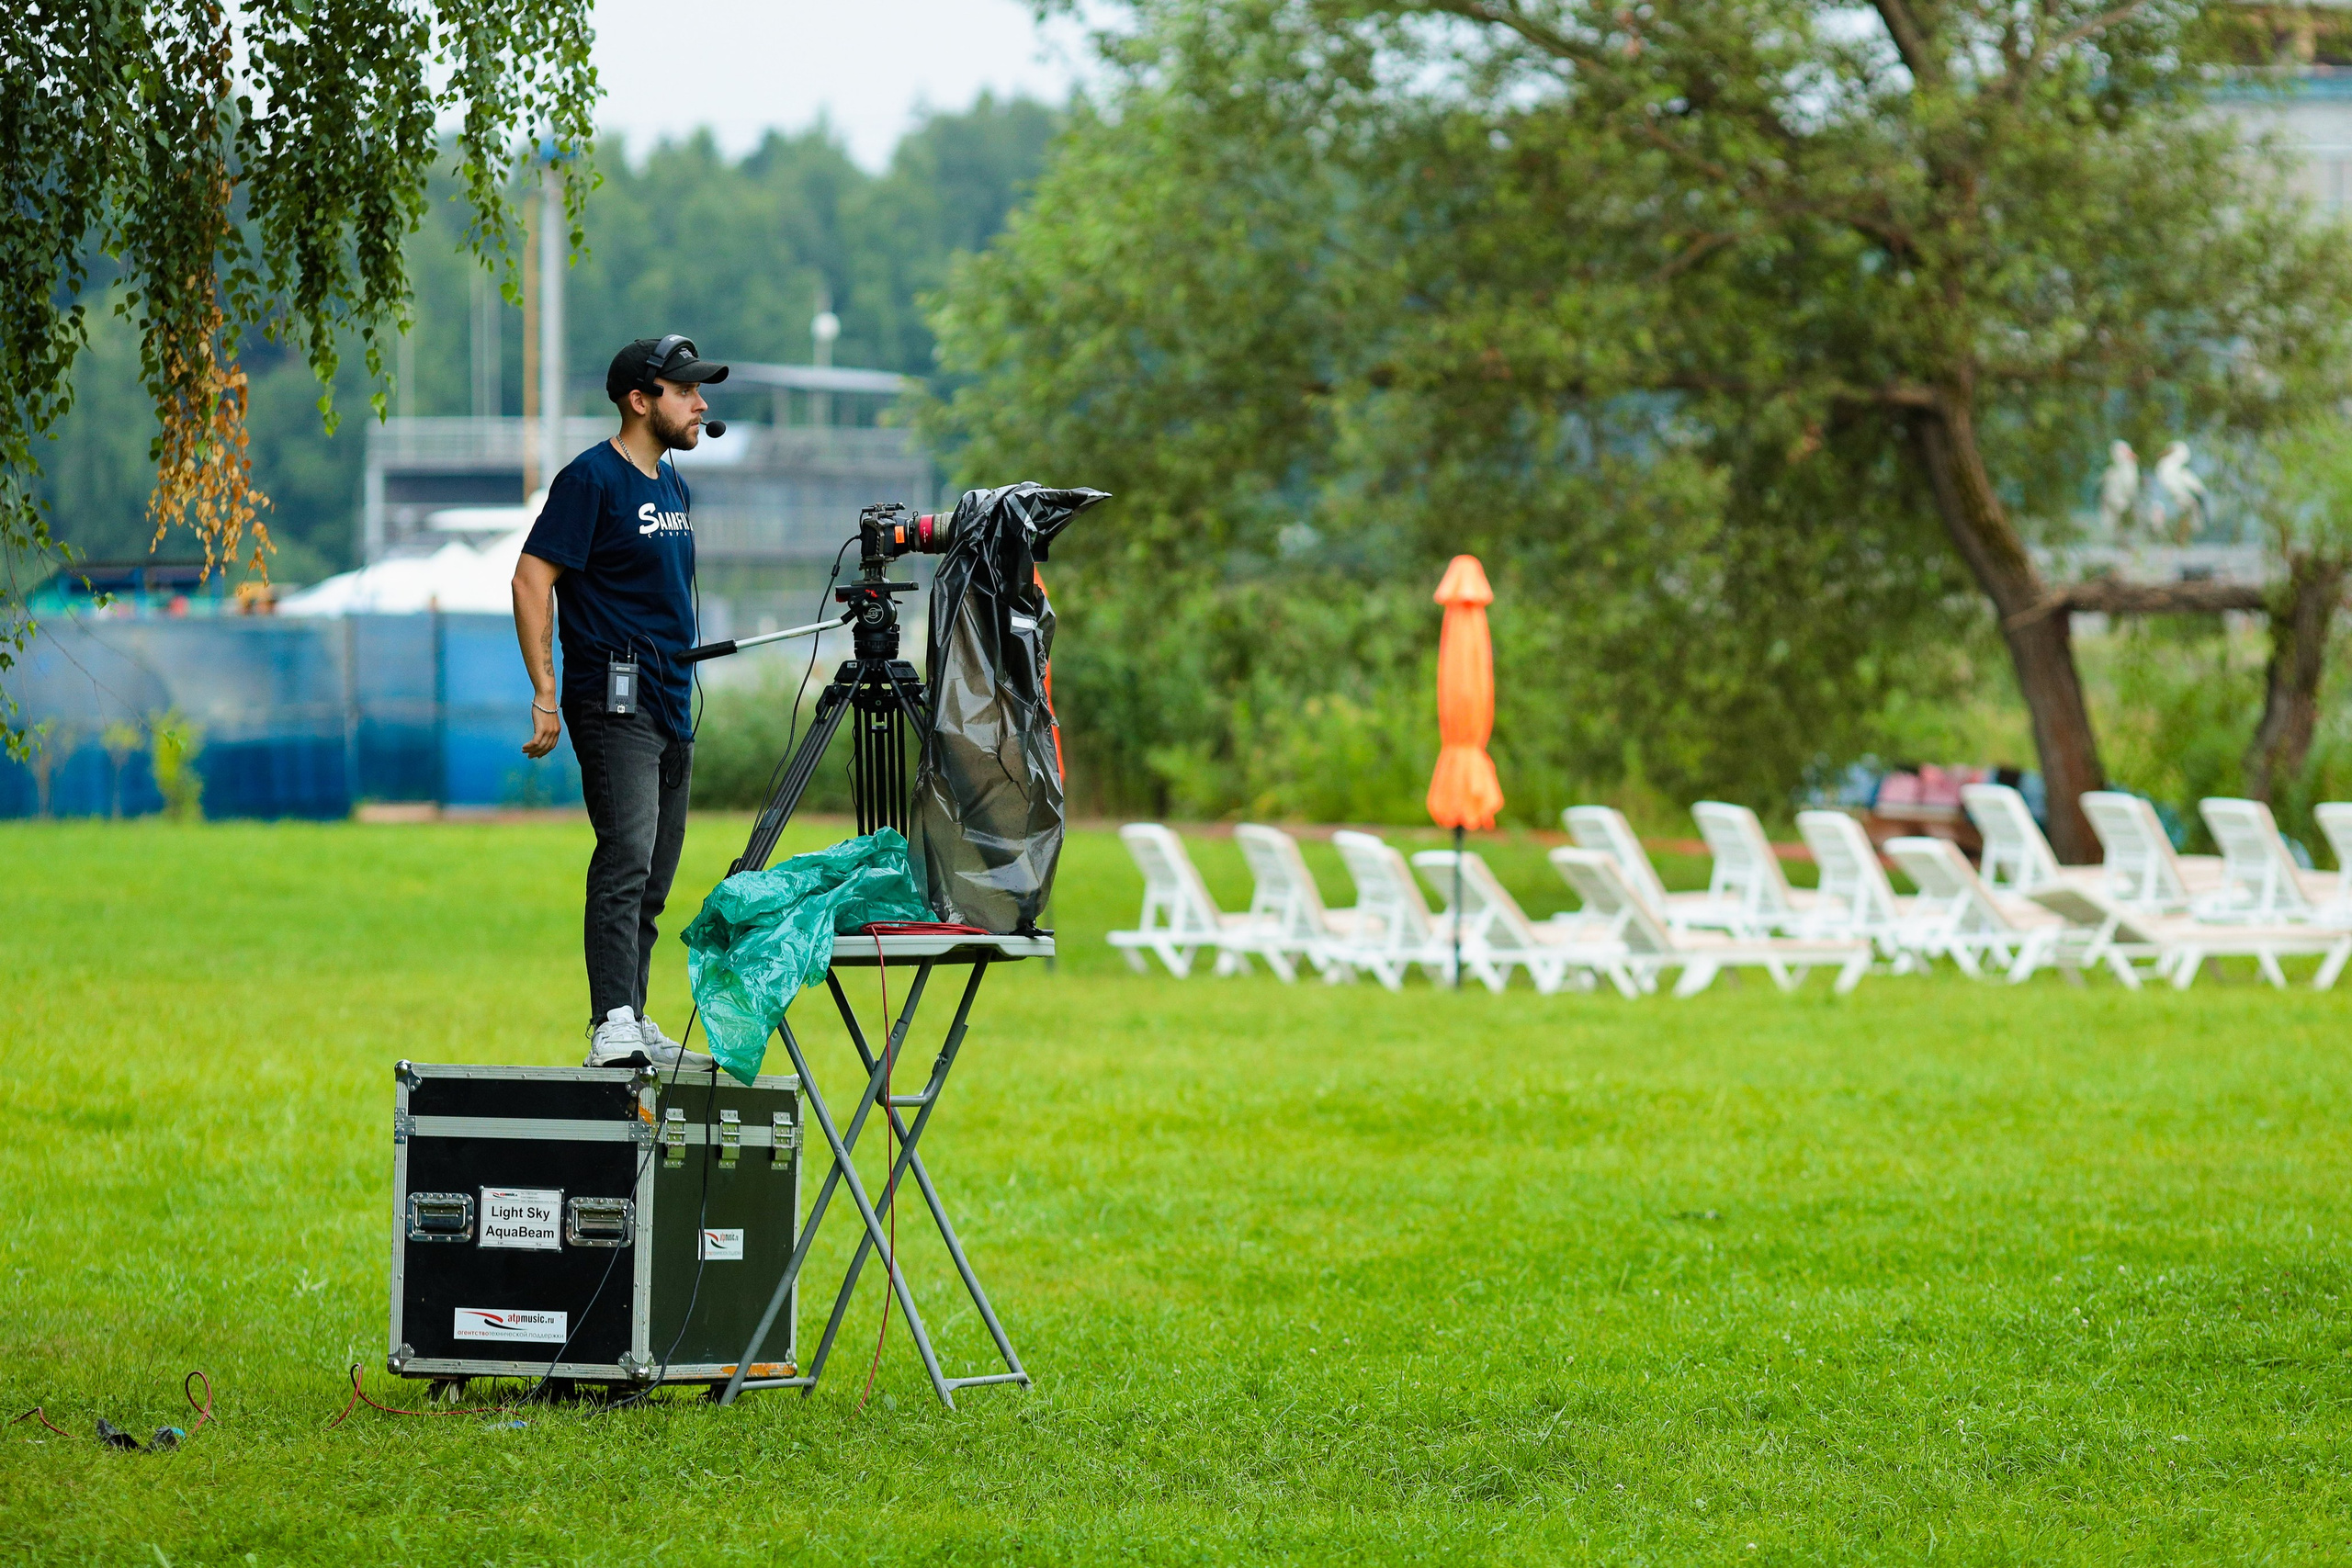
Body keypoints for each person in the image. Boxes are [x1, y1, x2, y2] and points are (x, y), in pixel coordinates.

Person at [512, 335, 729, 1069]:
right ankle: (610, 1020)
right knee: (626, 856)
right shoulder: (590, 480)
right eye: (685, 391)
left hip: (673, 698)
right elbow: (531, 579)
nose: (700, 403)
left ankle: (632, 1010)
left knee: (656, 876)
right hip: (613, 698)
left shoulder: (673, 486)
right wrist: (546, 692)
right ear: (640, 400)